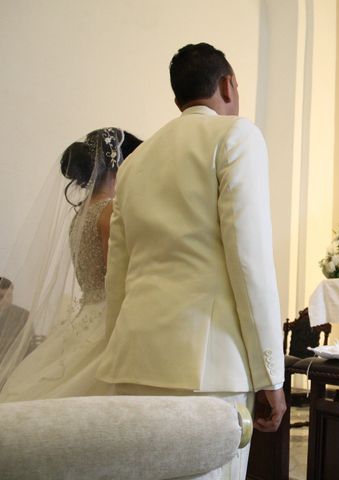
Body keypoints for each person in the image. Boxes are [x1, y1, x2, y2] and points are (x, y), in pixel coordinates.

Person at [95, 43, 286, 479]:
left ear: (178, 97)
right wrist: (270, 376)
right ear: (228, 84)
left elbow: (117, 278)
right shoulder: (236, 135)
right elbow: (250, 263)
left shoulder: (137, 161)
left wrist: (117, 353)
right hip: (209, 371)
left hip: (134, 363)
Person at [0, 128, 142, 400]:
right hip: (106, 319)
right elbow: (116, 276)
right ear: (120, 166)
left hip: (84, 316)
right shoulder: (110, 212)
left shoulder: (80, 215)